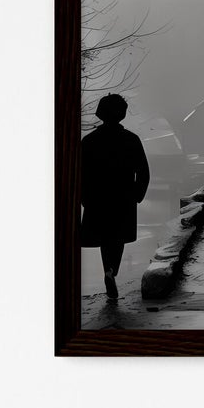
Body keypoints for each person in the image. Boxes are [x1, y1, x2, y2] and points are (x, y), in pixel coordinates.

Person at [80, 93, 150, 299]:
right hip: (124, 198)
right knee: (117, 237)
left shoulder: (89, 141)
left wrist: (84, 197)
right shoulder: (131, 140)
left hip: (97, 198)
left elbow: (81, 172)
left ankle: (108, 271)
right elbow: (143, 171)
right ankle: (112, 271)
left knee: (104, 237)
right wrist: (137, 194)